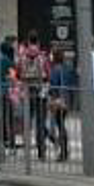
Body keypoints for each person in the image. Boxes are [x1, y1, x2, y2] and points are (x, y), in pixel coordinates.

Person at [16, 31, 50, 160]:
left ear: (28, 42)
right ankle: (42, 152)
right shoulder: (42, 57)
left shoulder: (22, 57)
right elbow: (48, 73)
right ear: (38, 42)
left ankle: (27, 154)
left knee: (27, 122)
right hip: (40, 93)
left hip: (26, 93)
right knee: (40, 122)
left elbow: (18, 73)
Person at [48, 47, 73, 161]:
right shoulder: (66, 68)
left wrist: (52, 99)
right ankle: (64, 150)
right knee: (60, 124)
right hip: (66, 99)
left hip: (58, 100)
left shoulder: (55, 69)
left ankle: (63, 150)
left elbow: (53, 85)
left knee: (58, 125)